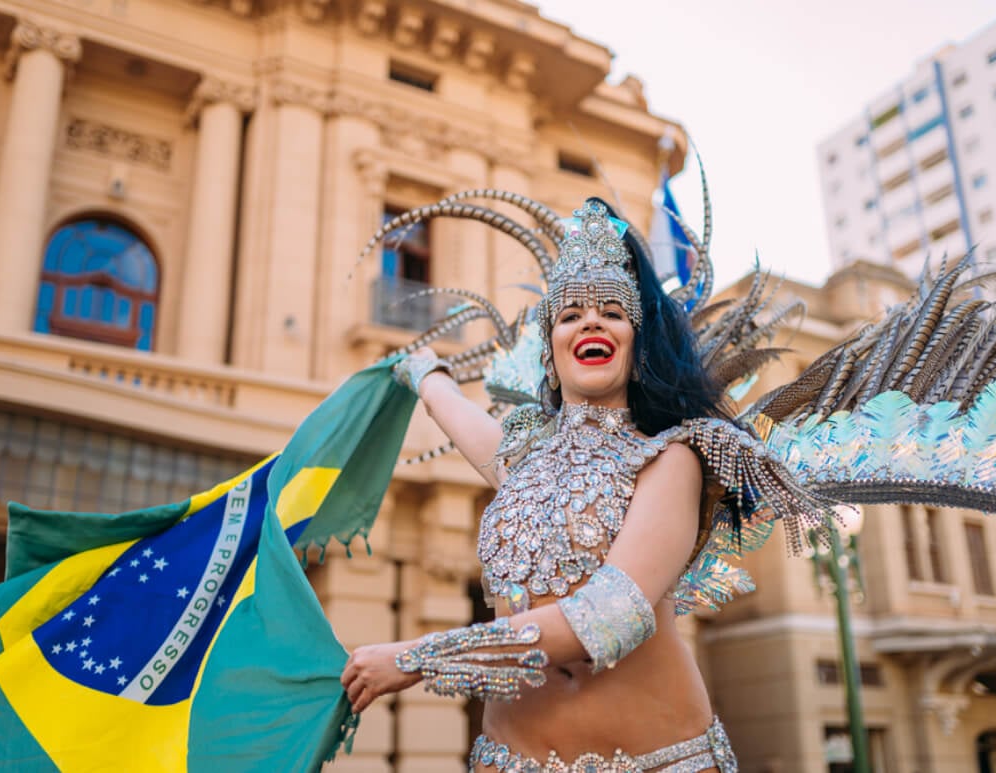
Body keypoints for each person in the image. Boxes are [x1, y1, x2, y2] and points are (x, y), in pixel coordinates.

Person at [340, 198, 818, 773]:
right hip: (509, 759)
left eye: (613, 313)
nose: (591, 321)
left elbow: (610, 615)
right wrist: (421, 372)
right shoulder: (525, 462)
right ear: (551, 354)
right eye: (570, 316)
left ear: (636, 348)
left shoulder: (671, 456)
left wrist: (417, 658)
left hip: (659, 762)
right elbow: (460, 418)